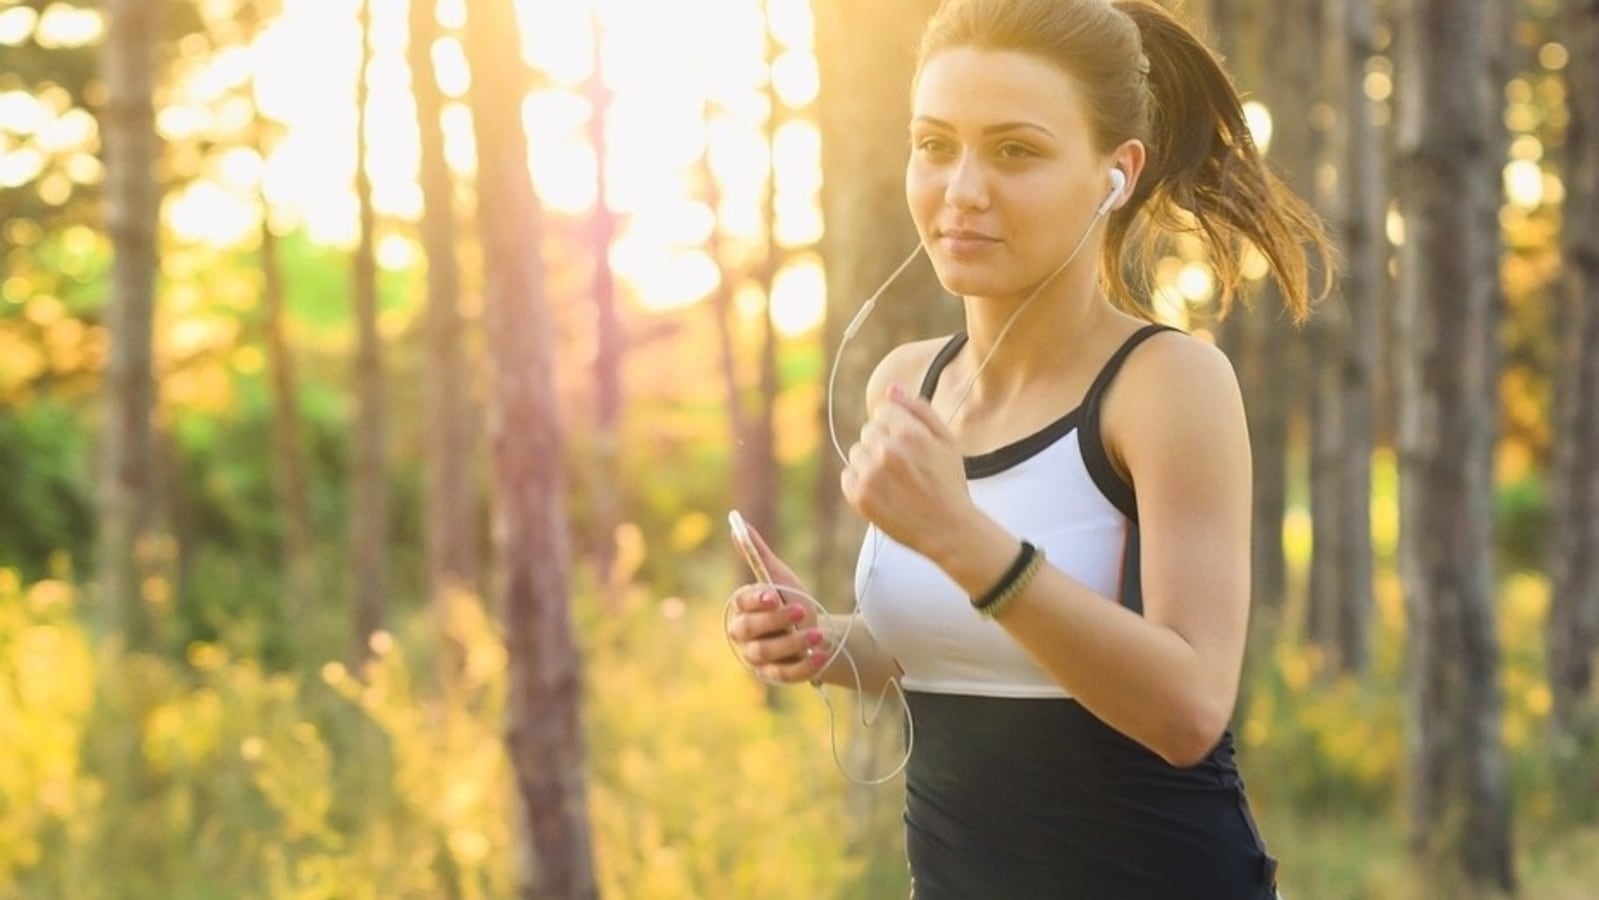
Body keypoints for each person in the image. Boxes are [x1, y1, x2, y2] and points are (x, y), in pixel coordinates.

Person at [726, 0, 1330, 896]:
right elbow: (939, 650)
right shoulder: (904, 381)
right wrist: (825, 643)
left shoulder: (1166, 385)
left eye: (1015, 150)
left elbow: (1188, 708)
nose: (961, 189)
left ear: (1114, 174)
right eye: (934, 145)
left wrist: (965, 543)